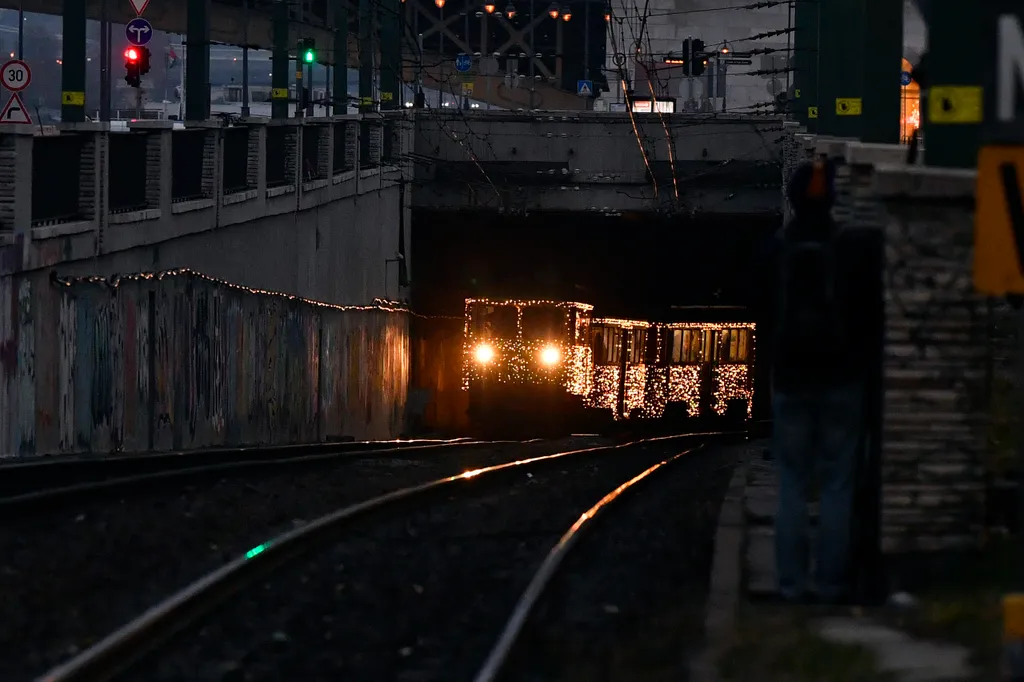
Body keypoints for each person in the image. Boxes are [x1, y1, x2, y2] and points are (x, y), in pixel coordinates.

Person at [769, 157, 865, 604]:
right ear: (833, 201)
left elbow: (762, 314)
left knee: (791, 482)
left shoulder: (776, 249)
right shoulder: (851, 249)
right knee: (837, 483)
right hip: (842, 379)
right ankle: (830, 584)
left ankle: (790, 584)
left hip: (790, 378)